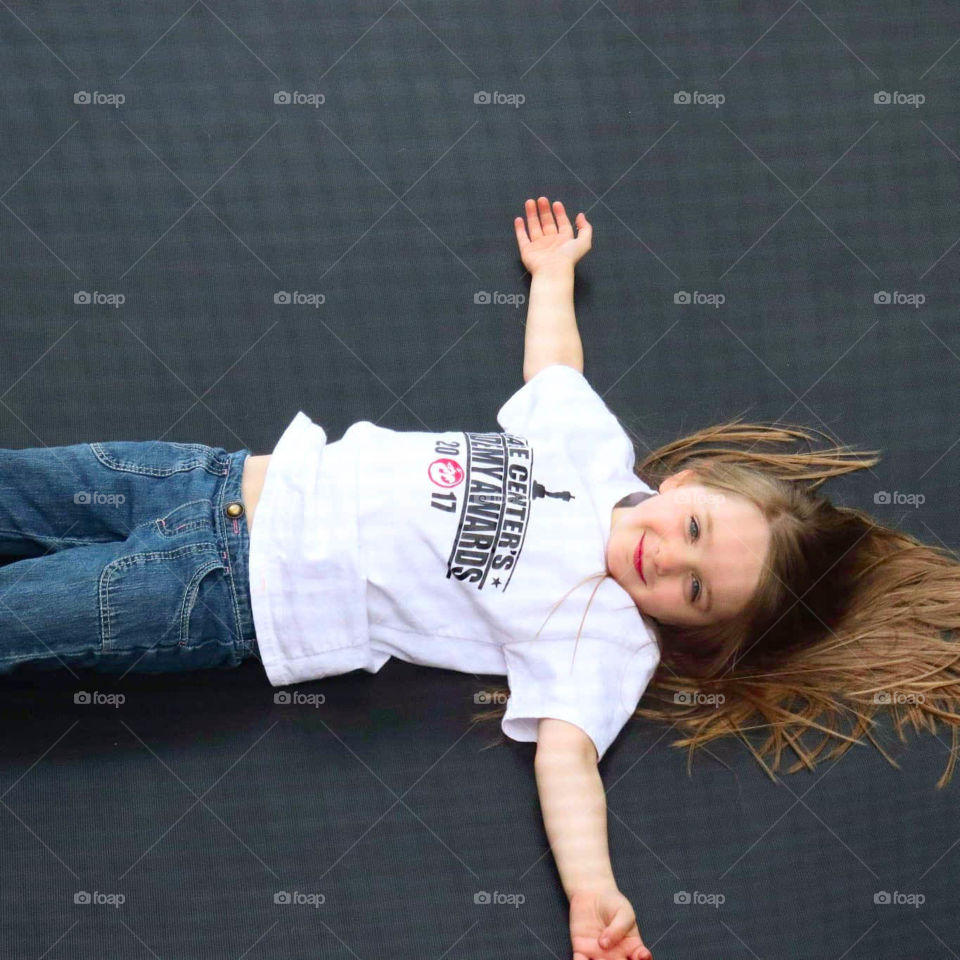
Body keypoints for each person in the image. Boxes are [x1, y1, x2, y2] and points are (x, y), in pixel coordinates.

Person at [3, 198, 959, 960]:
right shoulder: (595, 454)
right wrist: (553, 279)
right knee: (19, 487)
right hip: (212, 475)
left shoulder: (610, 642)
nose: (667, 557)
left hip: (221, 592)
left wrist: (594, 890)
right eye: (694, 529)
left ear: (690, 626)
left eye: (695, 589)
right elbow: (554, 374)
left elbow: (568, 764)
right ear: (688, 482)